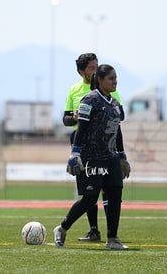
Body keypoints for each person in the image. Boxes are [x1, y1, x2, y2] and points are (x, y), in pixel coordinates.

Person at [54, 64, 131, 250]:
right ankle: (62, 228)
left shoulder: (113, 103)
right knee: (89, 199)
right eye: (111, 78)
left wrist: (122, 156)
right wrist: (75, 153)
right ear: (100, 80)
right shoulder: (89, 100)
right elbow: (81, 128)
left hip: (110, 158)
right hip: (91, 158)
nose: (115, 82)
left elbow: (117, 130)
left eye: (116, 78)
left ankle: (112, 239)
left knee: (115, 196)